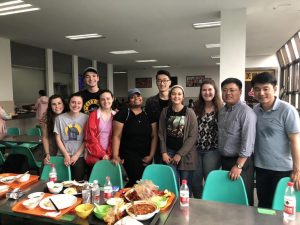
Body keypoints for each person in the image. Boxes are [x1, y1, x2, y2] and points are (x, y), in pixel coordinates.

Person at [251, 72, 300, 208]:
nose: (261, 93)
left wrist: (297, 169)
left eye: (266, 88)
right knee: (264, 205)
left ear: (275, 89)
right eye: (257, 89)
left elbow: (295, 141)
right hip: (261, 167)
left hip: (283, 169)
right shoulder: (255, 111)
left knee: (282, 206)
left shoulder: (287, 110)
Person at [218, 78, 256, 206]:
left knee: (243, 196)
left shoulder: (246, 112)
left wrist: (239, 165)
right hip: (225, 160)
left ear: (240, 92)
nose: (228, 93)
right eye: (224, 90)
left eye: (232, 90)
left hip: (241, 162)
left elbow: (248, 141)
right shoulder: (222, 111)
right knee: (229, 195)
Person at [112, 88, 157, 187]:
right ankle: (130, 200)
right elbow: (116, 136)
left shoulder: (148, 114)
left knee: (145, 183)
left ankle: (141, 202)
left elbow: (154, 136)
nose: (136, 98)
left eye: (138, 95)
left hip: (146, 155)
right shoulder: (123, 114)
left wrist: (151, 155)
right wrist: (115, 156)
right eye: (132, 97)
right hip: (129, 155)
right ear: (128, 100)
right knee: (135, 182)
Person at [158, 85, 198, 191]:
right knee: (172, 185)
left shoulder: (190, 112)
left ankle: (185, 207)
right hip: (169, 153)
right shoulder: (165, 111)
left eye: (179, 94)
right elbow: (161, 133)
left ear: (183, 97)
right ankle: (173, 206)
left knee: (185, 187)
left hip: (186, 154)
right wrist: (163, 152)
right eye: (173, 93)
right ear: (170, 96)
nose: (176, 96)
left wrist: (180, 154)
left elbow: (192, 136)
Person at [191, 79, 223, 198]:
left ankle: (210, 205)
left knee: (210, 181)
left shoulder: (221, 108)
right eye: (204, 90)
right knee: (195, 182)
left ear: (215, 91)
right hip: (196, 150)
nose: (207, 92)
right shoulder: (195, 107)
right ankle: (200, 203)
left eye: (210, 89)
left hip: (213, 151)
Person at [54, 93, 88, 180]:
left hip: (79, 156)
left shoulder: (87, 118)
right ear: (68, 103)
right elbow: (58, 138)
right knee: (62, 182)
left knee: (78, 182)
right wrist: (66, 155)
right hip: (62, 155)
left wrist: (76, 155)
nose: (76, 105)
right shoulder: (59, 119)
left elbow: (87, 139)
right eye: (73, 102)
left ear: (82, 104)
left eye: (79, 103)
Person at [85, 90, 116, 177]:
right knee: (95, 182)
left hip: (111, 155)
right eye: (103, 99)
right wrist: (102, 155)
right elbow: (90, 137)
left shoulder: (116, 115)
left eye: (108, 98)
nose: (106, 101)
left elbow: (117, 137)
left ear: (113, 99)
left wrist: (109, 154)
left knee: (110, 183)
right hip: (95, 156)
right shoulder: (93, 115)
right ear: (99, 101)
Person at [145, 70, 172, 163]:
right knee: (159, 169)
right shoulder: (150, 101)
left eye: (165, 80)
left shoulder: (175, 100)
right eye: (159, 80)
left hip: (172, 141)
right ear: (156, 82)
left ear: (169, 82)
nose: (162, 83)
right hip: (156, 142)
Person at [41, 94, 67, 165]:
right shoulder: (46, 118)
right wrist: (47, 153)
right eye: (54, 104)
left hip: (67, 149)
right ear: (50, 106)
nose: (57, 106)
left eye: (59, 103)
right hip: (52, 148)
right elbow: (45, 137)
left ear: (63, 104)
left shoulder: (69, 115)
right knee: (51, 172)